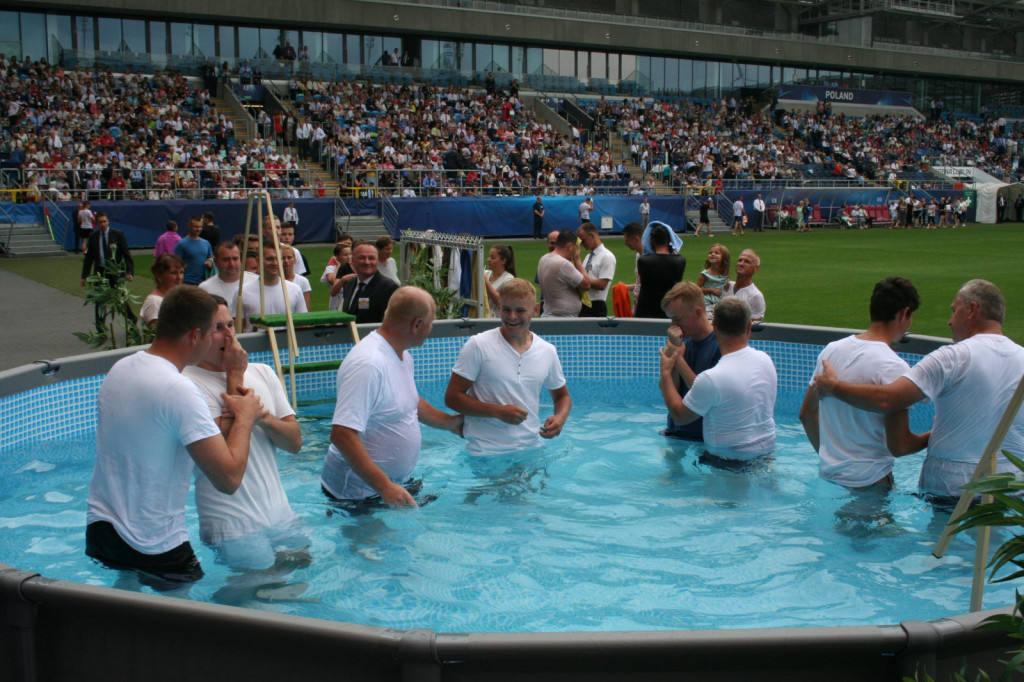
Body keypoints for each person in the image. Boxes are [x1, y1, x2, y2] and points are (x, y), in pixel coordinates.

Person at [85, 286, 263, 585]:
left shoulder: (122, 368)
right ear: (195, 335)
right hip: (154, 542)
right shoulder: (178, 389)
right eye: (211, 332)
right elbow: (228, 479)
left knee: (121, 613)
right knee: (186, 625)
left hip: (102, 528)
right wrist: (246, 416)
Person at [813, 279, 1024, 500]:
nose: (949, 321)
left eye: (954, 311)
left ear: (971, 309)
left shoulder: (951, 357)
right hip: (1012, 486)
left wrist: (834, 387)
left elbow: (889, 400)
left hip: (952, 486)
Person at [183, 297, 304, 569]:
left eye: (230, 325)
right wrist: (234, 375)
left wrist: (263, 418)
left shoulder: (263, 372)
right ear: (197, 335)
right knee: (252, 598)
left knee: (299, 577)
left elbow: (295, 443)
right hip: (232, 525)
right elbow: (220, 450)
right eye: (218, 328)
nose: (229, 334)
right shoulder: (186, 385)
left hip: (279, 513)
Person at [321, 287, 463, 506]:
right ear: (417, 324)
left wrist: (450, 423)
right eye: (430, 322)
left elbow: (409, 402)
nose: (431, 329)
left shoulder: (401, 354)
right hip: (356, 495)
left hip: (388, 485)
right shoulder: (368, 364)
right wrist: (385, 487)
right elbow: (342, 434)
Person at [799, 277, 925, 489]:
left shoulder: (832, 350)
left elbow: (806, 414)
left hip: (829, 477)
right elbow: (900, 446)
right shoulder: (894, 367)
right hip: (870, 480)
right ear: (904, 313)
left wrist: (830, 456)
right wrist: (936, 435)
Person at [445, 278, 572, 456]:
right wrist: (497, 412)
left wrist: (560, 418)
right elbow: (452, 398)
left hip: (532, 449)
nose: (512, 317)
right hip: (486, 452)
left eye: (520, 310)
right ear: (498, 307)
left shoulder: (547, 351)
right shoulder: (479, 345)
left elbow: (562, 396)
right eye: (506, 309)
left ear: (536, 310)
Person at [659, 297, 776, 461]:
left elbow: (680, 417)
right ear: (749, 326)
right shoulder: (766, 360)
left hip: (728, 461)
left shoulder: (712, 378)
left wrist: (666, 372)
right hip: (766, 453)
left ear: (715, 327)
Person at [660, 282, 722, 441]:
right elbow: (669, 388)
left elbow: (703, 393)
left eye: (678, 319)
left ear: (698, 312)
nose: (673, 326)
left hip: (703, 438)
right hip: (676, 432)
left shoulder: (719, 345)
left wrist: (678, 358)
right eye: (671, 320)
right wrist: (673, 351)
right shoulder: (679, 342)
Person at [200, 241, 259, 329]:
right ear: (215, 262)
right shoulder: (205, 289)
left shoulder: (257, 281)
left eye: (235, 259)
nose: (231, 264)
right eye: (226, 260)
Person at [339, 241, 399, 323]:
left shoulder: (388, 288)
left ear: (377, 261)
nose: (367, 262)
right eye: (361, 258)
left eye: (371, 258)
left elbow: (392, 323)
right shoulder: (350, 284)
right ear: (352, 260)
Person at [635, 223, 686, 318]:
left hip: (646, 309)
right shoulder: (680, 260)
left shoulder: (643, 261)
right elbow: (675, 254)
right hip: (669, 308)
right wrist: (673, 248)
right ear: (670, 241)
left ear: (652, 240)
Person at [242, 244, 308, 317]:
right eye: (270, 259)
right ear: (258, 260)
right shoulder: (243, 291)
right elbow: (239, 326)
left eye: (279, 259)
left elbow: (302, 325)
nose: (275, 263)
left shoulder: (295, 290)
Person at [537, 228, 589, 317]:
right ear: (569, 246)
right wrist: (577, 260)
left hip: (548, 314)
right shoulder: (564, 264)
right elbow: (586, 285)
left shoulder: (544, 258)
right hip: (562, 317)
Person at [81, 212, 134, 288]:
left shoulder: (118, 235)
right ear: (97, 223)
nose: (103, 224)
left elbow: (126, 255)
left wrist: (130, 272)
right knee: (100, 298)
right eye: (100, 222)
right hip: (100, 272)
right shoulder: (93, 237)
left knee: (117, 298)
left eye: (104, 221)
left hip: (115, 272)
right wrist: (84, 276)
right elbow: (89, 258)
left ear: (108, 221)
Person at [576, 221, 616, 317]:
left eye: (583, 240)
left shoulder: (607, 256)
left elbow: (602, 285)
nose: (581, 244)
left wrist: (580, 281)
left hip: (596, 306)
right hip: (583, 304)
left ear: (592, 236)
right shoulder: (588, 256)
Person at [140, 254, 185, 327]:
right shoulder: (155, 303)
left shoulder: (173, 297)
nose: (179, 277)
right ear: (159, 275)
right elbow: (155, 335)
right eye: (173, 273)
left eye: (181, 272)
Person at [722, 249, 765, 323]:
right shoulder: (725, 285)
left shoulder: (755, 295)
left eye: (747, 261)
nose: (741, 264)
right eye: (740, 260)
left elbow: (755, 325)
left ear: (756, 268)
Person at [174, 216, 214, 285]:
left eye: (200, 227)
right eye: (196, 227)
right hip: (188, 282)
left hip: (204, 282)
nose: (198, 229)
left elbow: (211, 257)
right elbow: (175, 264)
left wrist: (210, 261)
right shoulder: (181, 244)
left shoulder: (206, 243)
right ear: (189, 226)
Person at [696, 243, 730, 317]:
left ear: (724, 257)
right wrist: (711, 290)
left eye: (716, 253)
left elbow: (726, 288)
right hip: (706, 302)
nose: (712, 254)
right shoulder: (705, 274)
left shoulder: (725, 273)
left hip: (720, 302)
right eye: (710, 253)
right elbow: (696, 289)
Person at [484, 244, 516, 317]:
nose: (488, 259)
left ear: (503, 261)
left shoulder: (508, 279)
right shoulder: (486, 273)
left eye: (492, 258)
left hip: (498, 320)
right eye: (489, 257)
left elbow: (501, 302)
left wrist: (486, 283)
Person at [281, 244, 312, 311]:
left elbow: (306, 309)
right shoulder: (274, 281)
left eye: (289, 257)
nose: (286, 261)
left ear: (295, 260)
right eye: (283, 258)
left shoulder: (303, 281)